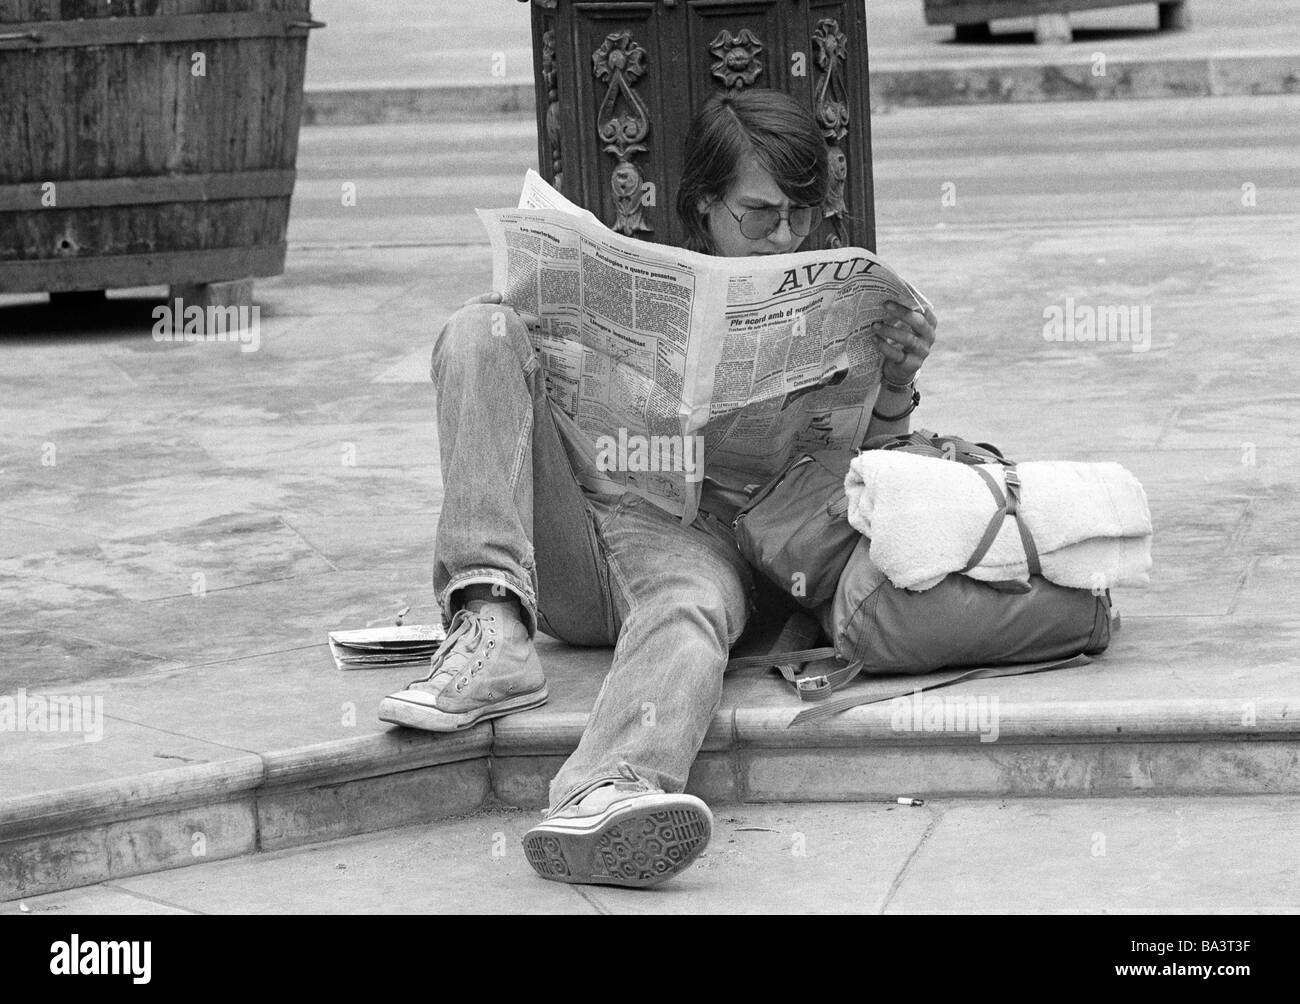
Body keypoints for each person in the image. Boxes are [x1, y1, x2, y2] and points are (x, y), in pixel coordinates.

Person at [378, 88, 938, 888]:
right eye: (759, 214)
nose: (784, 233)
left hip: (705, 546)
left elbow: (865, 481)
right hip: (581, 535)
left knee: (691, 607)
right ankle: (492, 625)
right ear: (705, 205)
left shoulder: (837, 298)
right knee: (480, 329)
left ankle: (607, 793)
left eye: (801, 215)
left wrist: (894, 386)